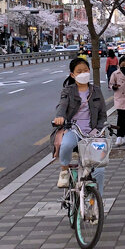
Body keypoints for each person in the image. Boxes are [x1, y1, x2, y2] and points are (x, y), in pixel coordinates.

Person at [52, 58, 108, 197]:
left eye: (86, 70)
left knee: (99, 170)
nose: (83, 73)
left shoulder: (96, 90)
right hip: (74, 130)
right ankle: (64, 171)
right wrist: (60, 117)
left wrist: (99, 130)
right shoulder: (68, 91)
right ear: (72, 75)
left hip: (93, 133)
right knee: (66, 145)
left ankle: (98, 201)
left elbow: (102, 114)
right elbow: (62, 105)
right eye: (79, 71)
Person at [108, 56, 125, 146]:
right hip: (119, 98)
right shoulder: (115, 73)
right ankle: (119, 136)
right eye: (122, 65)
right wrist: (114, 86)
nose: (124, 67)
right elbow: (110, 84)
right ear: (119, 65)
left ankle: (122, 136)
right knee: (120, 117)